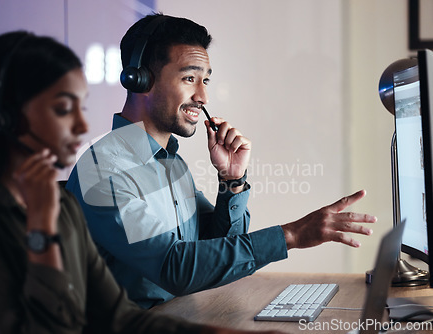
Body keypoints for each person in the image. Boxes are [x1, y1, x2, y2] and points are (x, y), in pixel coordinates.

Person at [0, 30, 287, 334]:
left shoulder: (64, 210)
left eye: (80, 108)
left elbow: (121, 317)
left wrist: (232, 181)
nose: (82, 127)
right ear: (3, 119)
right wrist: (43, 231)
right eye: (62, 109)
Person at [66, 13, 377, 309]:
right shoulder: (103, 170)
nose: (203, 97)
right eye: (190, 78)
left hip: (183, 314)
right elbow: (175, 268)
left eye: (206, 81)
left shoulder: (170, 164)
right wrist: (291, 235)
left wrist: (232, 181)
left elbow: (215, 250)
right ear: (141, 80)